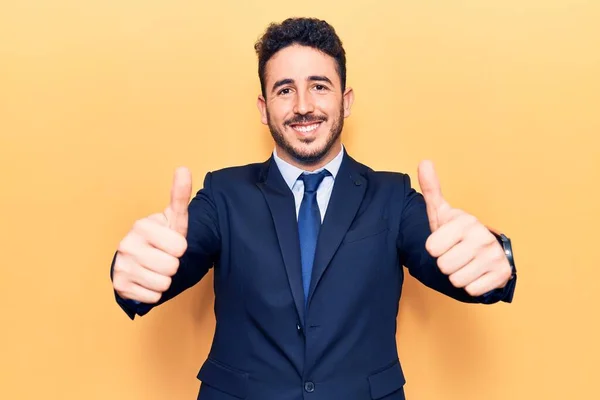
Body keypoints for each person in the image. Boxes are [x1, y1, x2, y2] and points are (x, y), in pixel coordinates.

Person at [110, 17, 517, 400]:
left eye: (319, 86)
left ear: (346, 99)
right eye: (284, 90)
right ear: (263, 108)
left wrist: (494, 255)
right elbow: (169, 257)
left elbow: (453, 259)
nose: (303, 105)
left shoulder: (393, 196)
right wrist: (134, 267)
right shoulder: (223, 194)